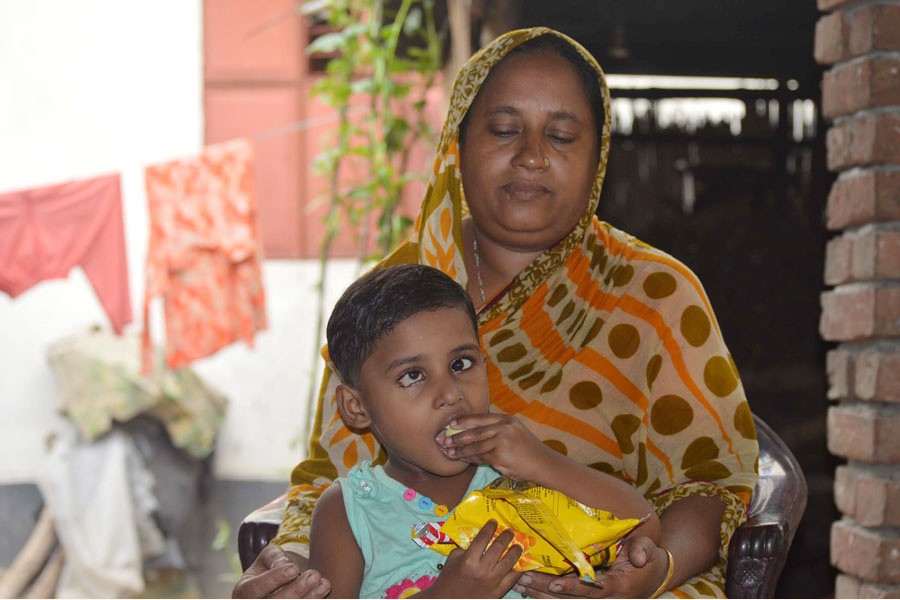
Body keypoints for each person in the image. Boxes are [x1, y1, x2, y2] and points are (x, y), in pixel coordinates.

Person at [233, 26, 758, 599]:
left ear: (598, 154)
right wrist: (288, 566)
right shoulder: (387, 296)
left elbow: (706, 487)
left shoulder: (657, 291)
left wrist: (650, 572)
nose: (531, 156)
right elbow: (329, 481)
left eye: (561, 136)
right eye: (505, 130)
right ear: (458, 144)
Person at [307, 263, 661, 598]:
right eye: (413, 375)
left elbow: (641, 525)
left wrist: (541, 462)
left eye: (461, 364)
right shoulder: (349, 512)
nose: (450, 393)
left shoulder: (517, 473)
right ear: (356, 407)